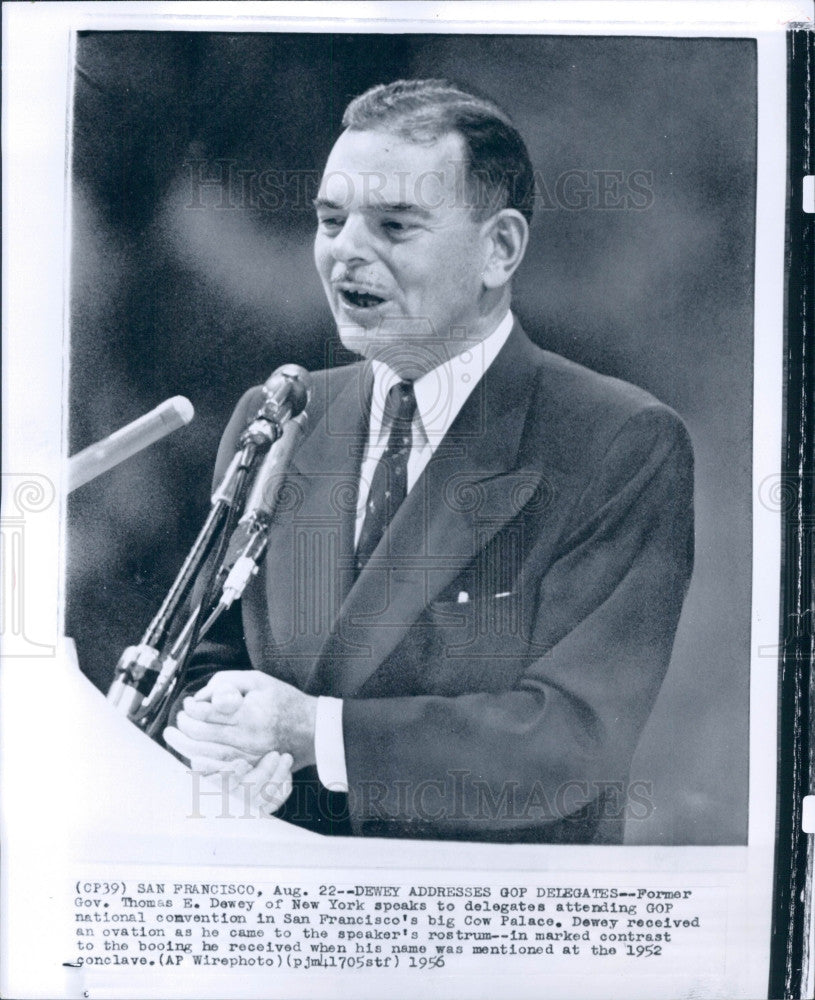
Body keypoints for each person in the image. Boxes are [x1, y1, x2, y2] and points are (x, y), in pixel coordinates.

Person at [163, 79, 694, 843]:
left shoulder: (618, 441)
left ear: (499, 248)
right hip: (283, 909)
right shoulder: (280, 417)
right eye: (330, 219)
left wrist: (317, 734)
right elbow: (198, 666)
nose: (345, 249)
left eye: (393, 224)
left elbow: (569, 741)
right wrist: (218, 741)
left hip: (491, 934)